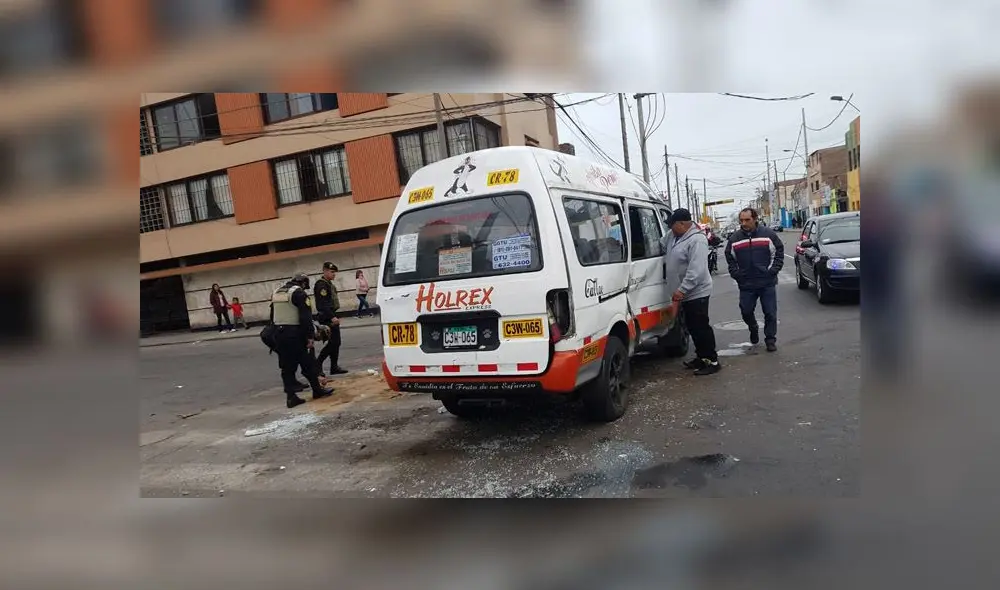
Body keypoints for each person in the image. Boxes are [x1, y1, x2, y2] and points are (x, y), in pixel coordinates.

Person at [660, 208, 721, 376]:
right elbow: (661, 243)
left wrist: (682, 289)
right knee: (692, 327)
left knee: (700, 327)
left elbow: (696, 270)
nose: (670, 229)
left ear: (682, 224)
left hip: (696, 292)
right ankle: (701, 357)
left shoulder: (697, 240)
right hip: (684, 293)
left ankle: (711, 360)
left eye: (672, 225)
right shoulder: (674, 236)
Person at [724, 207, 784, 352]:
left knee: (770, 312)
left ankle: (770, 339)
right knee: (746, 311)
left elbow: (779, 252)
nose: (744, 223)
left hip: (766, 282)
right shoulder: (734, 239)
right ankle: (753, 327)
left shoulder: (768, 234)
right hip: (746, 284)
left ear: (755, 219)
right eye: (741, 220)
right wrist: (736, 274)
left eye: (747, 220)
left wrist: (772, 271)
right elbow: (729, 257)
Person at [270, 273, 333, 408]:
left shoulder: (277, 292)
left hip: (279, 333)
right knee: (307, 362)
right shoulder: (299, 294)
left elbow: (273, 315)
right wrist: (310, 337)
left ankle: (291, 397)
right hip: (295, 334)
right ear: (303, 283)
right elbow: (305, 317)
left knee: (287, 367)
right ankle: (317, 390)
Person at [314, 262, 348, 376]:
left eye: (334, 272)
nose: (334, 275)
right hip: (326, 316)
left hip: (331, 314)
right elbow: (323, 304)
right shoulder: (321, 285)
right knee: (333, 342)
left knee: (336, 343)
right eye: (332, 272)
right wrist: (332, 317)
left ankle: (334, 366)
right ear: (325, 271)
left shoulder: (328, 284)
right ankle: (318, 364)